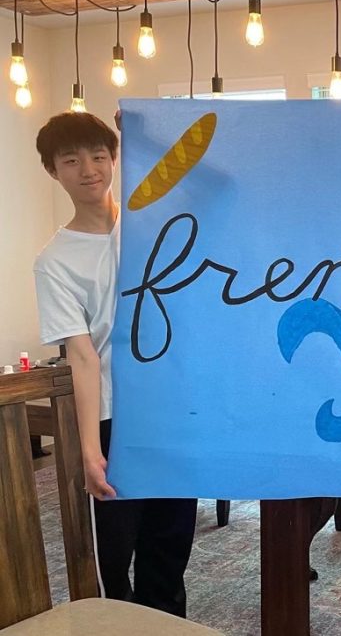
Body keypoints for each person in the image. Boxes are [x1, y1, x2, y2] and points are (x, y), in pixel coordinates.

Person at [33, 111, 198, 616]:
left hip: (170, 411)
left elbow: (221, 184)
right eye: (71, 160)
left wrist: (155, 132)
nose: (88, 169)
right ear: (52, 170)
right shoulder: (55, 260)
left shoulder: (152, 227)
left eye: (99, 155)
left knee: (169, 554)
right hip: (111, 422)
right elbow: (82, 356)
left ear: (115, 158)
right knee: (114, 563)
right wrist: (88, 451)